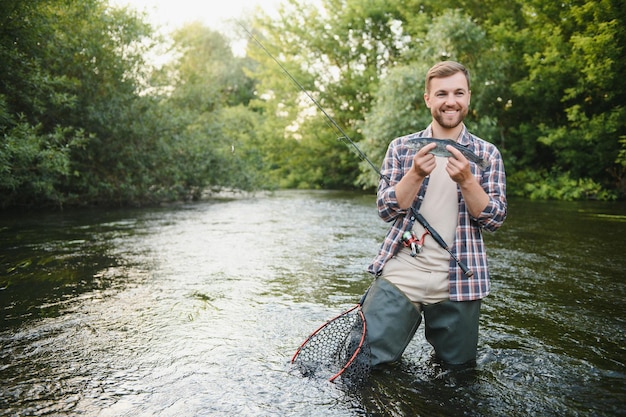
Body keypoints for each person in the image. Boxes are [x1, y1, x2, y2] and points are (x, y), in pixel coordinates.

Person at [364, 60, 507, 370]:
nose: (450, 101)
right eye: (441, 93)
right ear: (428, 98)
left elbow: (494, 219)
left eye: (458, 92)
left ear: (469, 97)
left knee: (458, 376)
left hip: (460, 276)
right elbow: (385, 210)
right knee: (364, 362)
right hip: (403, 270)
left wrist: (468, 181)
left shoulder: (486, 155)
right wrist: (414, 174)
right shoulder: (402, 148)